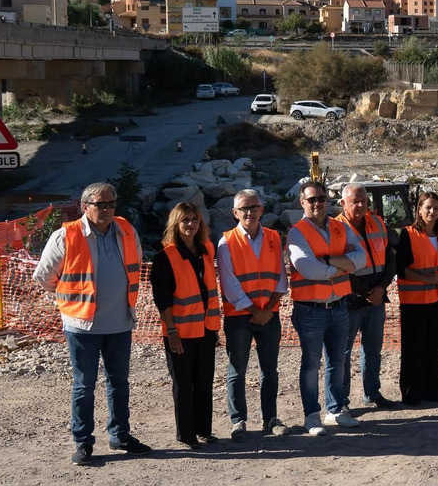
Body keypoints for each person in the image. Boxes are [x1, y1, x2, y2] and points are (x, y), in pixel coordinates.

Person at [34, 181, 151, 465]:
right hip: (82, 325)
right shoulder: (67, 235)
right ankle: (83, 442)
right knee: (84, 386)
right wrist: (70, 300)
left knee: (119, 383)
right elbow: (44, 277)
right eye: (101, 204)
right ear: (85, 207)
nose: (108, 209)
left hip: (120, 322)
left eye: (111, 203)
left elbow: (135, 266)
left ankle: (120, 435)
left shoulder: (126, 230)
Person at [287, 180, 365, 436]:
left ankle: (335, 410)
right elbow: (307, 268)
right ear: (302, 203)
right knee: (311, 364)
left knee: (338, 361)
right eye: (312, 200)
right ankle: (312, 416)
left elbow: (362, 258)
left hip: (339, 306)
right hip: (311, 310)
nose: (318, 203)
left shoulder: (340, 227)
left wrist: (329, 262)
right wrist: (342, 267)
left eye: (321, 198)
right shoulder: (297, 232)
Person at [218, 189, 288, 439]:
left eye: (254, 207)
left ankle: (271, 418)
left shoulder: (273, 237)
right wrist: (254, 310)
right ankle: (238, 422)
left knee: (270, 369)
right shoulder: (226, 242)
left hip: (269, 315)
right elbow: (229, 283)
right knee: (237, 370)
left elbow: (281, 276)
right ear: (235, 213)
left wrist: (267, 310)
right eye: (244, 209)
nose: (250, 212)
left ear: (262, 209)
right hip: (240, 317)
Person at [152, 201, 222, 448]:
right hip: (179, 332)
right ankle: (187, 434)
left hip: (205, 329)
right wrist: (171, 332)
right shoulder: (165, 257)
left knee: (204, 381)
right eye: (185, 220)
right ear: (175, 224)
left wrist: (213, 329)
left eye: (194, 219)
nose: (190, 224)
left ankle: (204, 430)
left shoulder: (206, 250)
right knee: (184, 385)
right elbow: (162, 301)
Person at [336, 183, 397, 412]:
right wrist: (367, 292)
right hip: (351, 300)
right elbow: (341, 268)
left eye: (363, 201)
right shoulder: (335, 228)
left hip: (377, 298)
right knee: (342, 352)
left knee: (373, 350)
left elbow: (390, 259)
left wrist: (381, 288)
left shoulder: (377, 223)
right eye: (355, 201)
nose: (361, 205)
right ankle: (341, 401)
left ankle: (372, 393)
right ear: (343, 203)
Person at [395, 191, 438, 406]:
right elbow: (400, 269)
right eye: (428, 207)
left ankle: (434, 390)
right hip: (415, 303)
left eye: (436, 208)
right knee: (414, 349)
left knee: (435, 347)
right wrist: (424, 278)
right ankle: (412, 393)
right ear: (419, 210)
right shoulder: (408, 234)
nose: (432, 212)